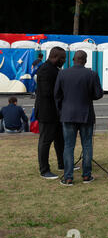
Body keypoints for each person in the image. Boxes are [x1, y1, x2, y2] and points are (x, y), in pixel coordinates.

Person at [54, 50, 103, 186]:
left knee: (68, 146)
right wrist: (88, 96)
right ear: (85, 60)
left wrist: (61, 110)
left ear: (73, 59)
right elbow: (99, 94)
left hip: (68, 114)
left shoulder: (62, 73)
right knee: (87, 145)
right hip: (86, 114)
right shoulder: (92, 74)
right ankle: (86, 176)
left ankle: (68, 177)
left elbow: (56, 95)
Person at [35, 46, 66, 180]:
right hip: (47, 112)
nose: (64, 61)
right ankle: (44, 170)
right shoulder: (46, 70)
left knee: (60, 139)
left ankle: (62, 163)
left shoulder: (53, 69)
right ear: (55, 57)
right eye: (62, 58)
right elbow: (47, 92)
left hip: (55, 112)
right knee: (45, 141)